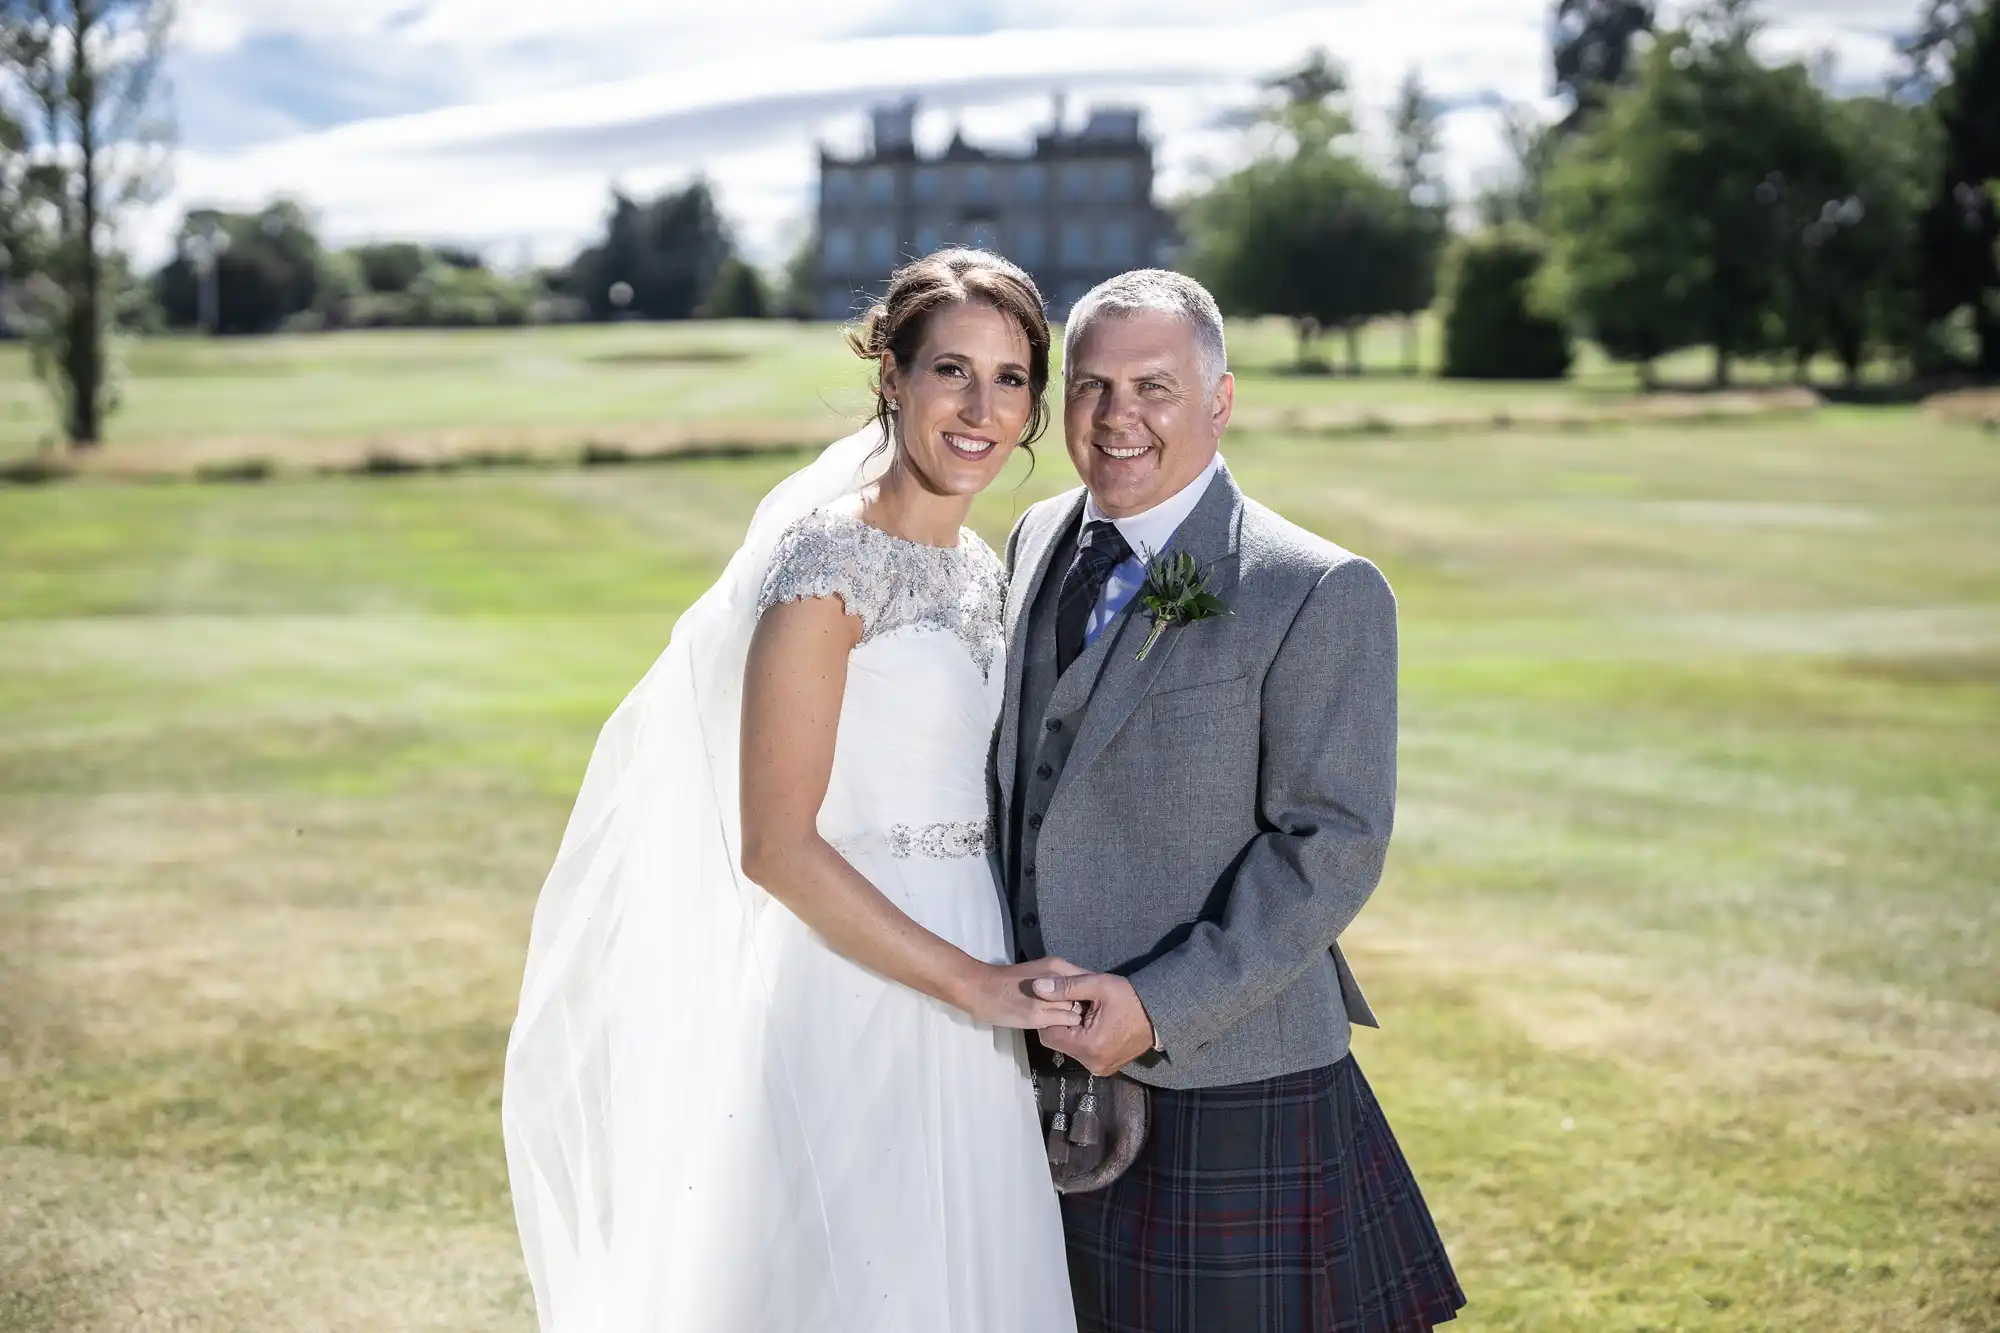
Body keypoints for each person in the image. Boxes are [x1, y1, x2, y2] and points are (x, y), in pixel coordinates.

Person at [502, 250, 1080, 1333]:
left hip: (976, 982)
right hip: (858, 983)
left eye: (1010, 379)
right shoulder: (824, 565)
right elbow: (773, 844)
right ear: (891, 379)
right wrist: (970, 985)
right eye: (949, 370)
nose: (980, 407)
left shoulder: (982, 573)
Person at [998, 270, 1466, 1332]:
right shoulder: (1031, 542)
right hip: (1034, 1073)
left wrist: (1159, 1006)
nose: (1117, 418)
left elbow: (1331, 844)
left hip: (1226, 1078)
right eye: (1090, 387)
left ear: (1219, 400)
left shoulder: (1313, 586)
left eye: (1154, 387)